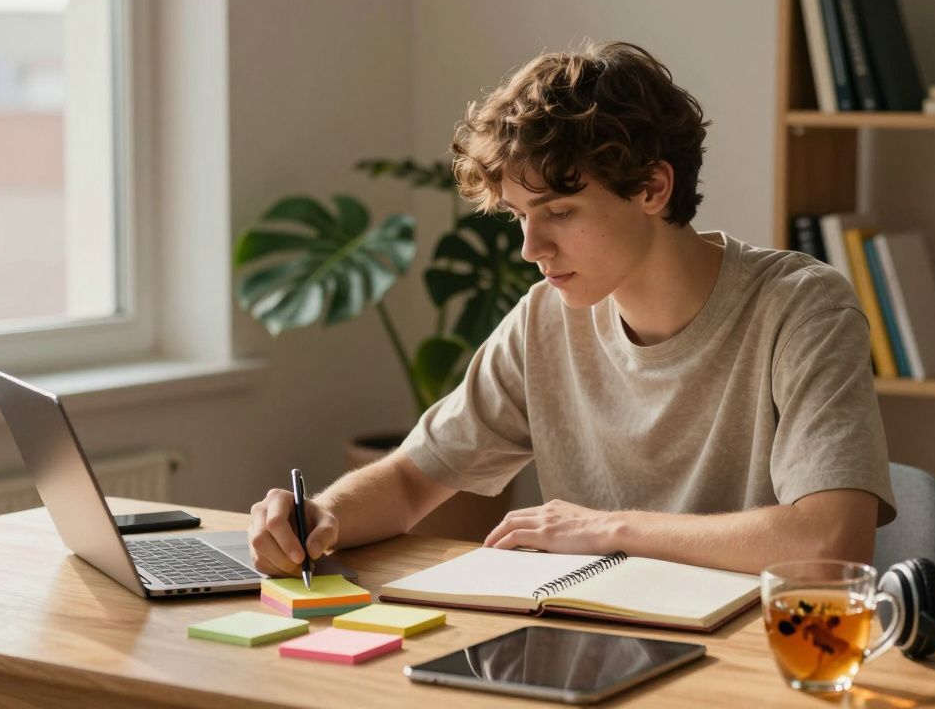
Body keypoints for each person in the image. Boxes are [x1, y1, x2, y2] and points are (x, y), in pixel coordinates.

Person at [249, 40, 895, 577]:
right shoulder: (544, 319)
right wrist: (322, 516)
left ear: (652, 187)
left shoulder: (801, 308)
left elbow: (830, 541)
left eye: (558, 211)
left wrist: (608, 529)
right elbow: (413, 480)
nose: (531, 248)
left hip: (752, 654)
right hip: (592, 641)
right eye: (519, 216)